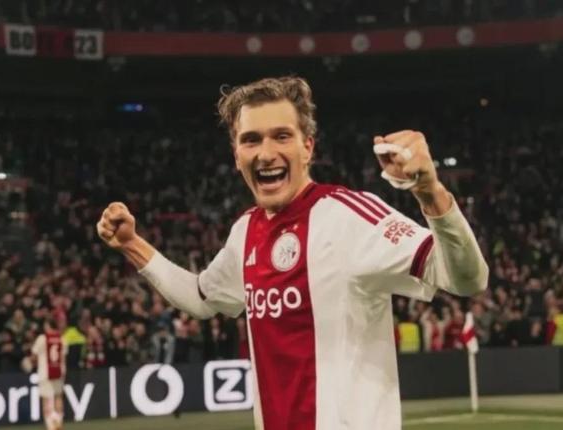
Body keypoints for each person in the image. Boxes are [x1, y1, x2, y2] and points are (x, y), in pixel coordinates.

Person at [97, 76, 488, 430]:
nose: (265, 153)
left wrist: (430, 192)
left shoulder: (349, 216)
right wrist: (132, 244)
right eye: (251, 140)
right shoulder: (245, 232)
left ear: (307, 147)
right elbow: (200, 298)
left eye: (281, 136)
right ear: (236, 155)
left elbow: (467, 279)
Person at [30, 317, 68, 430]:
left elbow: (34, 355)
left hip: (45, 372)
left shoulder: (42, 338)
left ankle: (51, 426)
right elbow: (64, 357)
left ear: (47, 325)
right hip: (59, 371)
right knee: (58, 397)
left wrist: (31, 362)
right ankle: (59, 423)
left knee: (46, 399)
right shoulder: (62, 338)